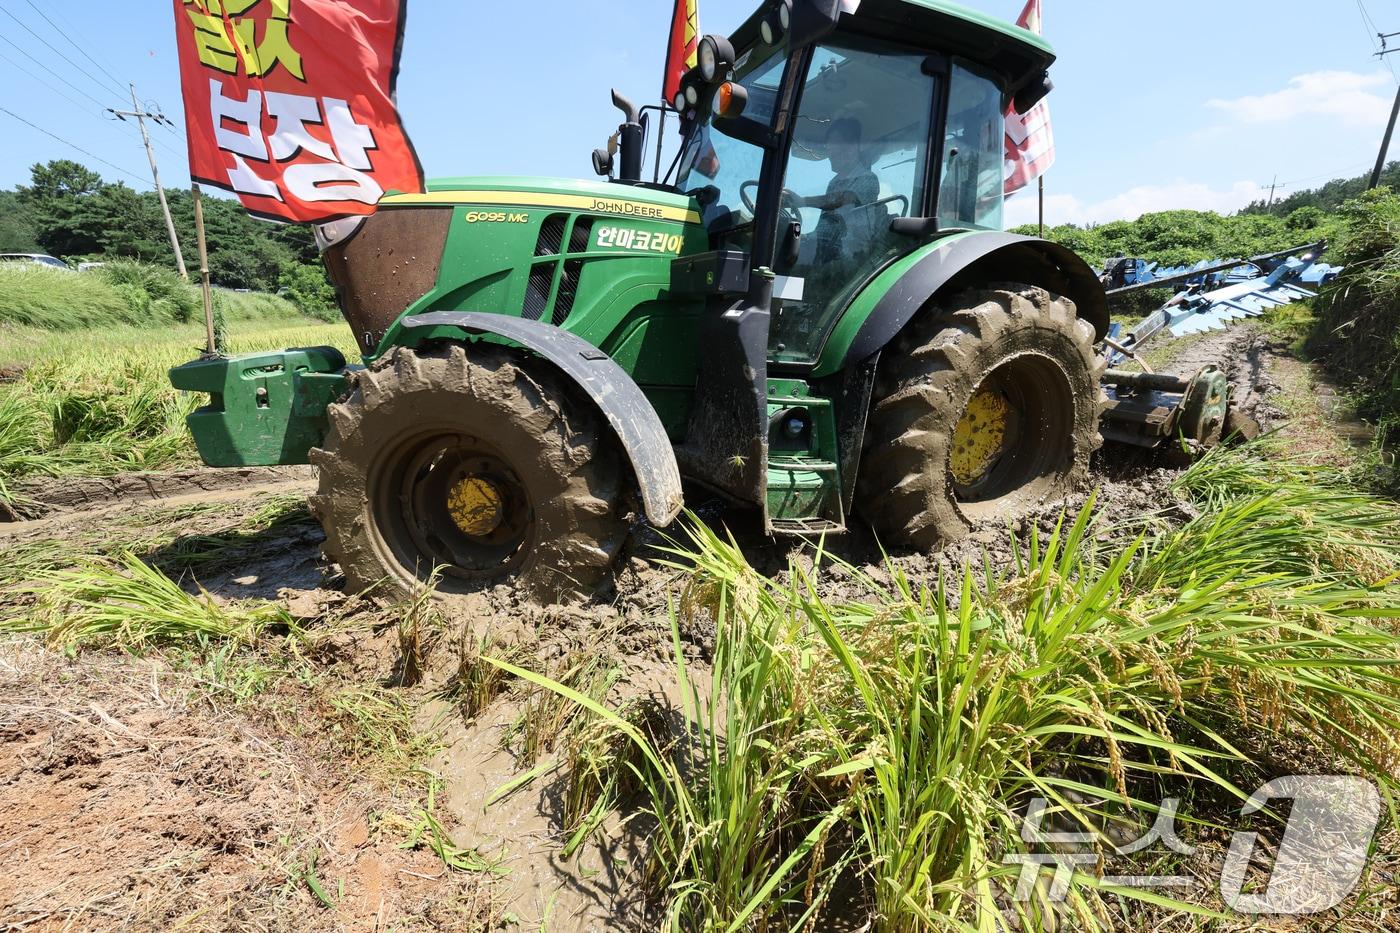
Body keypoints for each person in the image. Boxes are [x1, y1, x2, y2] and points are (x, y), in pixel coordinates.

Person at [802, 118, 879, 263]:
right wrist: (805, 237)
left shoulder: (868, 178)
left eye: (835, 147)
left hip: (854, 255)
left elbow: (844, 200)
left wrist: (801, 201)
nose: (830, 153)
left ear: (852, 147)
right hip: (829, 249)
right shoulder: (834, 183)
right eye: (829, 148)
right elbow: (825, 225)